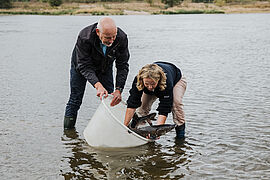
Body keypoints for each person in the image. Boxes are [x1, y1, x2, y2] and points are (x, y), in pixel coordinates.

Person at [64, 17, 130, 130]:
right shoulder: (84, 37)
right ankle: (68, 134)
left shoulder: (121, 38)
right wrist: (97, 85)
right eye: (108, 38)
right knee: (75, 99)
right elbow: (84, 66)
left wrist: (119, 89)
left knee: (110, 99)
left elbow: (122, 65)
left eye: (114, 36)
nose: (112, 40)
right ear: (98, 32)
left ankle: (109, 131)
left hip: (105, 66)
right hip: (80, 67)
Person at [124, 62, 187, 139]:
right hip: (154, 84)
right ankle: (142, 132)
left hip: (176, 81)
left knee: (176, 104)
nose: (150, 87)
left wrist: (157, 132)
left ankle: (180, 136)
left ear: (158, 80)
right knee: (141, 109)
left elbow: (164, 108)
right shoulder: (138, 80)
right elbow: (132, 103)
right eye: (147, 84)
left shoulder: (166, 81)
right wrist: (124, 126)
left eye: (152, 84)